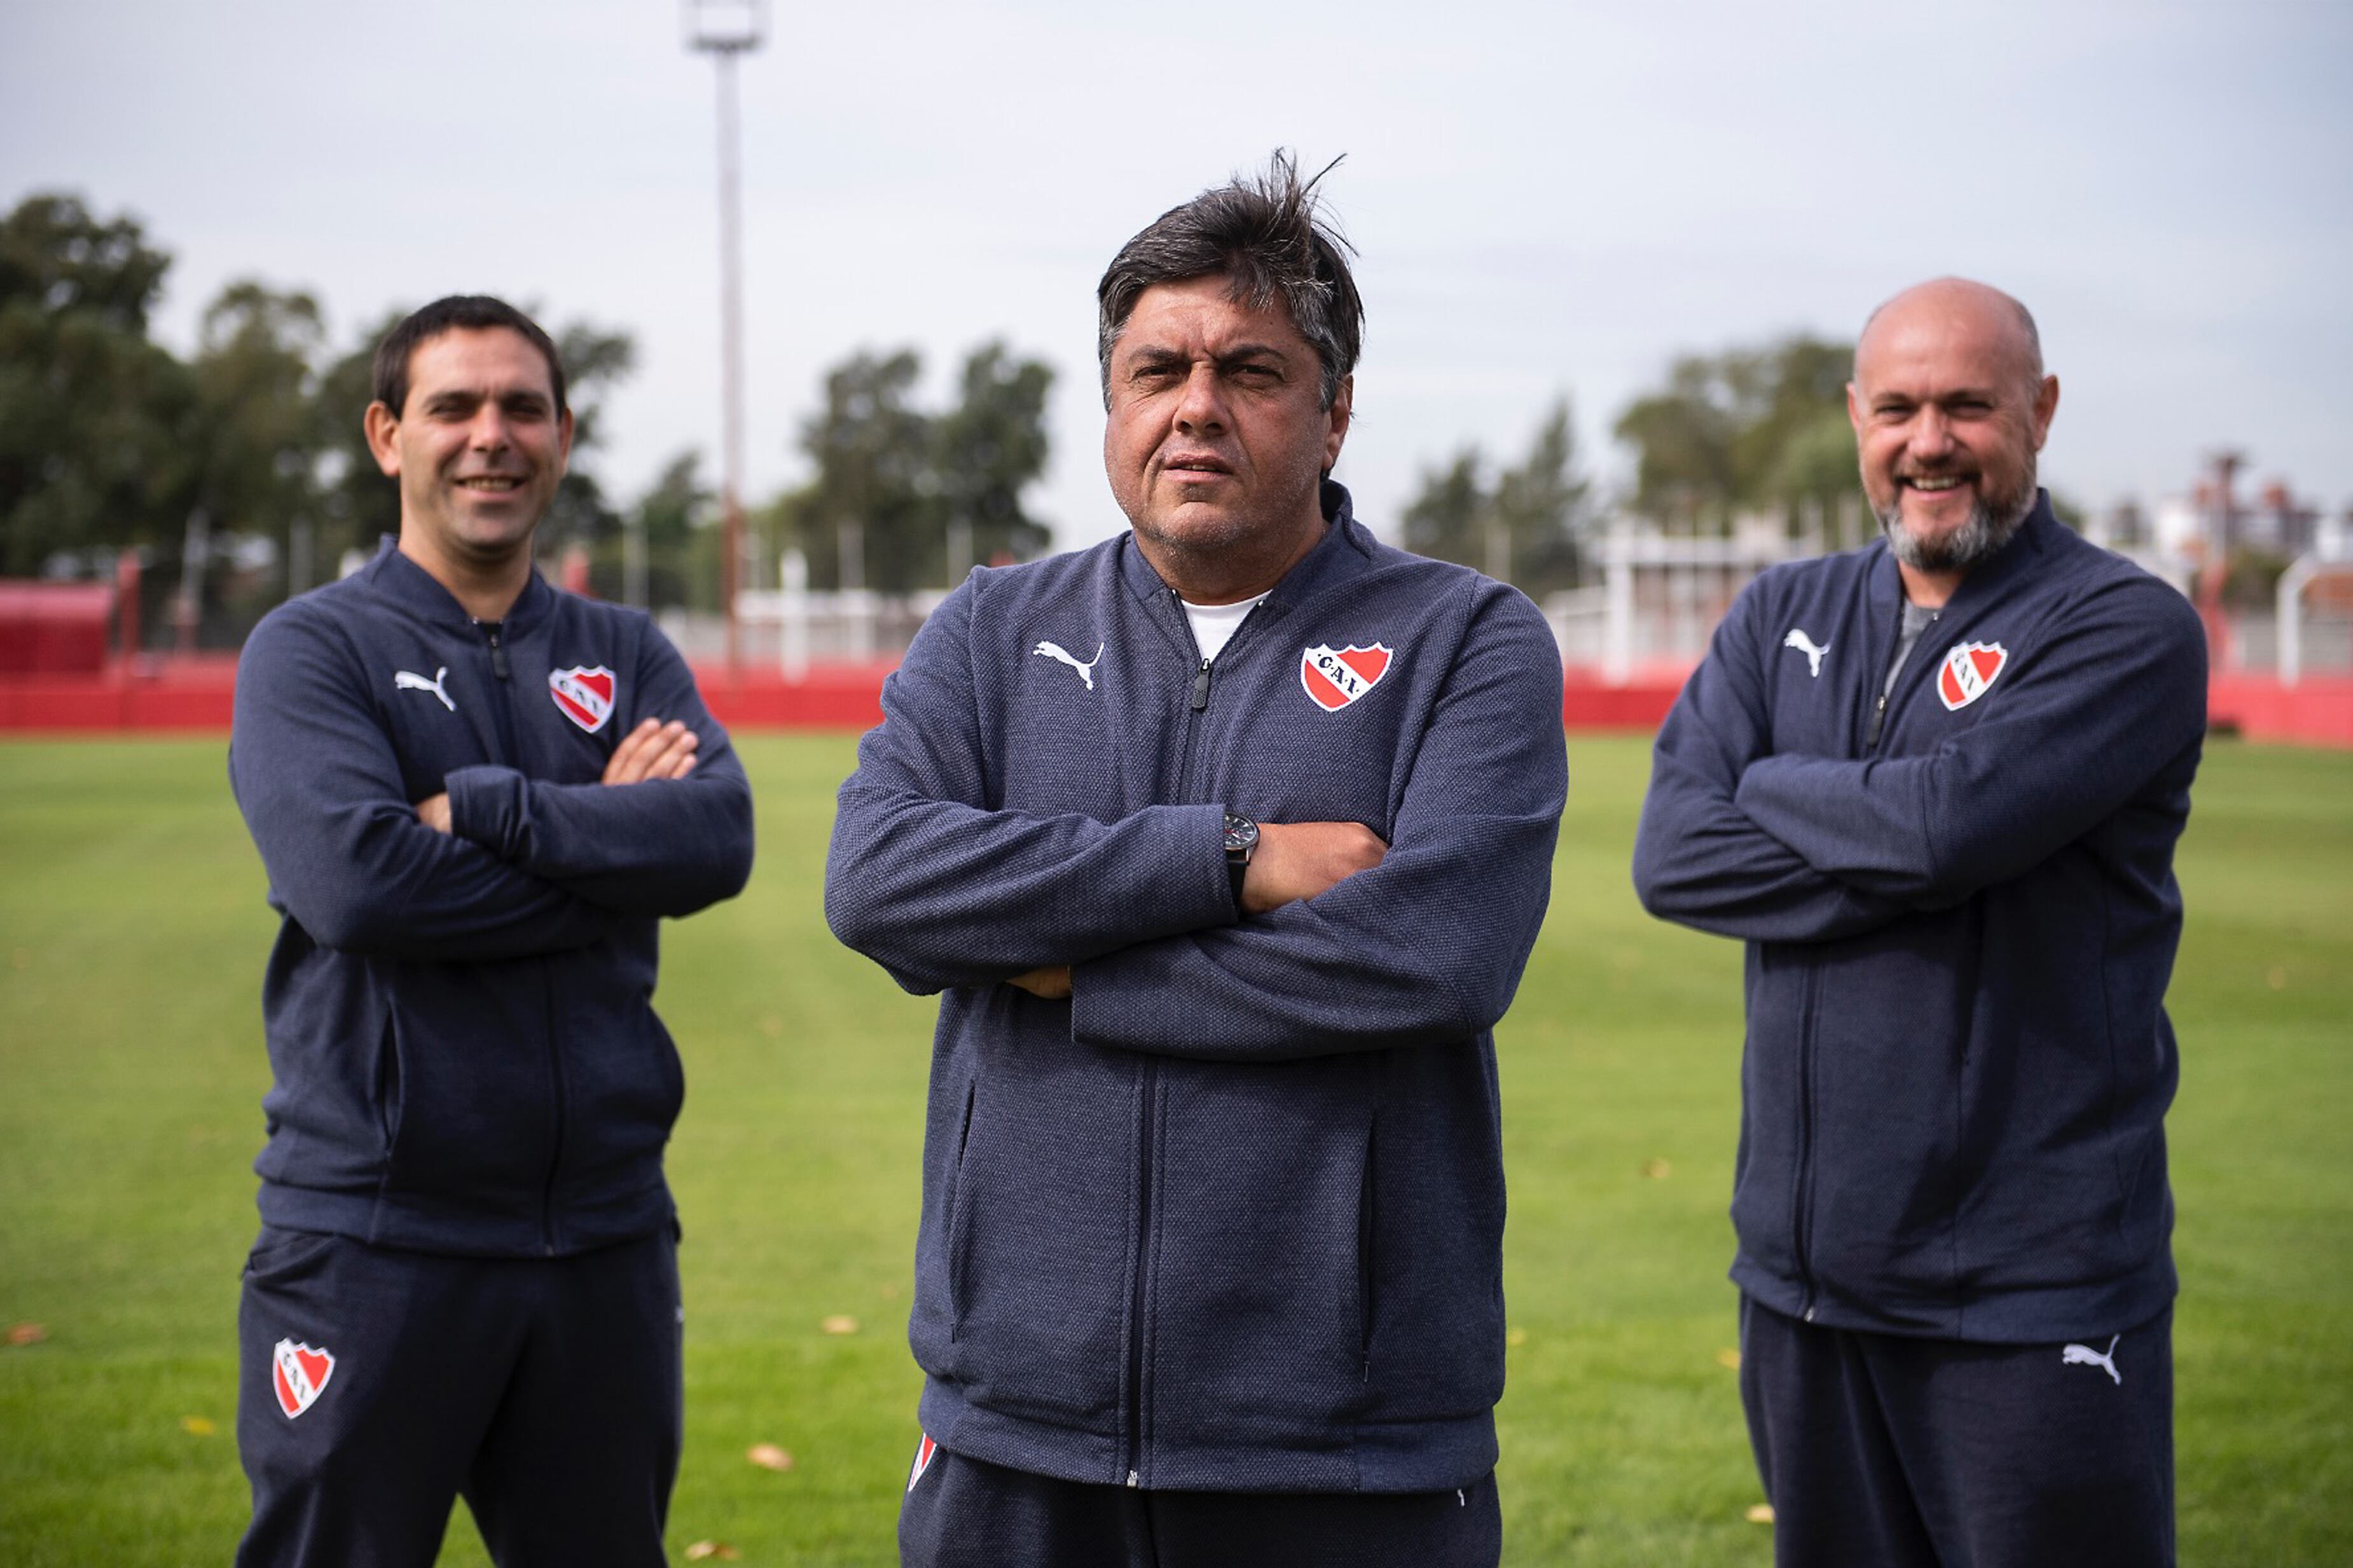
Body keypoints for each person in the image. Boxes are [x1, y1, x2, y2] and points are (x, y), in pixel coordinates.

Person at [825, 154, 1566, 1568]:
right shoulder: (989, 630)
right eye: (1154, 368)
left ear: (1335, 410)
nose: (1194, 407)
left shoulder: (1463, 641)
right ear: (1110, 401)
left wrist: (1064, 971)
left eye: (1251, 370)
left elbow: (1431, 957)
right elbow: (879, 881)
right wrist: (1225, 860)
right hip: (1011, 1427)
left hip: (1344, 1444)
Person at [1632, 277, 2205, 1567]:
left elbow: (1949, 828)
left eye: (1965, 406)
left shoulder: (2123, 626)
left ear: (2038, 412)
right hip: (1802, 1286)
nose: (1927, 440)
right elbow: (1673, 854)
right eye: (1896, 407)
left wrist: (1769, 787)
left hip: (2032, 1291)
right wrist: (1917, 837)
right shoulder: (1782, 612)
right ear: (1854, 418)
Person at [226, 295, 754, 1567]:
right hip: (374, 1237)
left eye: (522, 407)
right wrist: (604, 848)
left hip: (604, 1239)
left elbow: (715, 841)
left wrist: (487, 811)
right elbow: (358, 887)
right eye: (452, 407)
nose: (490, 436)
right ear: (386, 435)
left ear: (562, 436)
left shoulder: (622, 648)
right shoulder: (311, 651)